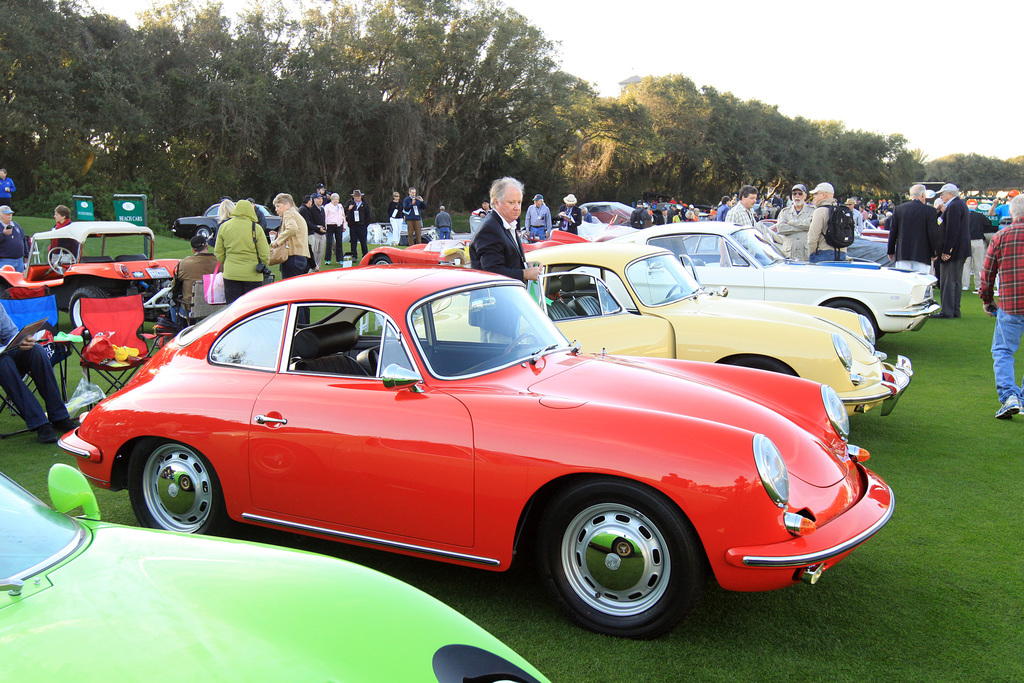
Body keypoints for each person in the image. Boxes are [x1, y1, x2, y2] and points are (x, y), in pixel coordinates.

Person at [0, 303, 76, 443]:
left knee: (35, 351)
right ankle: (40, 423)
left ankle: (59, 417)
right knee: (3, 362)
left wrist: (21, 341)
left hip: (4, 352)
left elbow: (9, 334)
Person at [980, 194, 1024, 418]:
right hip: (1011, 303)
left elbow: (987, 273)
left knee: (1003, 350)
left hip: (1011, 303)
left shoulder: (1001, 236)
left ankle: (1009, 397)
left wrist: (987, 300)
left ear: (1012, 213)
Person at [469, 177, 540, 283]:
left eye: (519, 202)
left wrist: (526, 266)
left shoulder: (505, 223)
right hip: (494, 297)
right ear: (497, 202)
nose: (517, 207)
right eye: (511, 202)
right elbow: (492, 272)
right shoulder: (489, 229)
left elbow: (507, 261)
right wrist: (525, 274)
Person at [214, 199, 271, 302]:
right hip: (253, 275)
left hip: (231, 273)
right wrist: (264, 263)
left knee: (233, 308)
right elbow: (265, 253)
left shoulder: (224, 226)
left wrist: (227, 262)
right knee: (251, 309)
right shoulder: (256, 228)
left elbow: (218, 251)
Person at [933, 183, 971, 318]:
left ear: (950, 194)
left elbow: (952, 230)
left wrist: (947, 251)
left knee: (948, 281)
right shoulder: (960, 205)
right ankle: (954, 309)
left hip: (954, 250)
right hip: (960, 249)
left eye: (942, 194)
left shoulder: (954, 206)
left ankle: (947, 311)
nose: (941, 197)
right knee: (955, 280)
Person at [886, 184, 940, 273]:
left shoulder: (899, 209)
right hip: (923, 253)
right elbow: (932, 233)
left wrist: (890, 251)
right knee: (921, 282)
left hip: (903, 252)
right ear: (923, 195)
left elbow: (893, 231)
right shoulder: (930, 211)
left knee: (904, 281)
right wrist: (934, 252)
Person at [172, 235, 218, 320]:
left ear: (193, 250)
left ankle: (177, 330)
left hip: (190, 309)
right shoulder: (219, 263)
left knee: (172, 303)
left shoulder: (185, 263)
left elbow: (174, 284)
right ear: (207, 246)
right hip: (215, 308)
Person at [806, 182, 848, 263]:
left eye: (816, 194)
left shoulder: (819, 211)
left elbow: (813, 237)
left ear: (823, 195)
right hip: (842, 253)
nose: (814, 196)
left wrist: (812, 253)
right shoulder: (842, 211)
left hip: (824, 253)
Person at [270, 193, 308, 280]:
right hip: (301, 257)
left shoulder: (288, 213)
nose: (276, 209)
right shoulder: (296, 214)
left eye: (278, 206)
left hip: (292, 257)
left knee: (289, 289)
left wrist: (277, 241)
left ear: (287, 205)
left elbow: (292, 228)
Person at [775, 184, 815, 260]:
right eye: (794, 194)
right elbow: (780, 228)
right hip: (789, 254)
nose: (797, 196)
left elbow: (812, 225)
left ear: (805, 196)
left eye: (800, 194)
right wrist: (803, 228)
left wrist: (792, 222)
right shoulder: (785, 212)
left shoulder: (812, 210)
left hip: (806, 254)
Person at [963, 210, 989, 293]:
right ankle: (978, 285)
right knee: (979, 263)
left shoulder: (963, 215)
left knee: (966, 264)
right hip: (977, 240)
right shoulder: (979, 215)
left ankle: (965, 285)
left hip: (965, 240)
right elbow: (989, 223)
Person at [0, 205, 29, 273]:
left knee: (20, 281)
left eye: (10, 213)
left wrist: (26, 256)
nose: (9, 215)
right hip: (5, 261)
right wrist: (3, 234)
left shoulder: (16, 225)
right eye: (6, 214)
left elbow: (23, 240)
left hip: (19, 261)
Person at [345, 190, 371, 262]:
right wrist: (348, 209)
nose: (358, 197)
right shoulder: (349, 203)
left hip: (362, 225)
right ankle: (354, 256)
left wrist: (365, 224)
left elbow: (368, 215)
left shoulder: (364, 204)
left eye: (359, 196)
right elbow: (344, 212)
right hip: (353, 225)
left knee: (363, 241)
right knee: (353, 241)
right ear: (354, 197)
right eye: (357, 196)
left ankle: (365, 255)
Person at [324, 192, 347, 265]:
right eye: (334, 199)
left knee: (339, 243)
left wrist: (344, 226)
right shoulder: (327, 206)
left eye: (337, 199)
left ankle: (340, 259)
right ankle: (328, 259)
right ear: (331, 200)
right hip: (330, 225)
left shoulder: (340, 206)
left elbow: (343, 216)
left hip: (339, 225)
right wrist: (325, 227)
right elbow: (325, 217)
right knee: (329, 243)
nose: (336, 201)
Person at [308, 193, 328, 271]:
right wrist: (317, 229)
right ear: (314, 200)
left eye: (321, 199)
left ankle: (317, 268)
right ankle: (312, 268)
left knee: (320, 252)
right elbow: (311, 222)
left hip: (322, 233)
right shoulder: (311, 209)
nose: (320, 200)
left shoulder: (322, 209)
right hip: (315, 233)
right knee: (314, 252)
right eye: (318, 199)